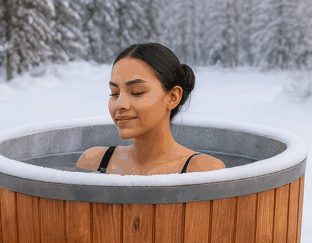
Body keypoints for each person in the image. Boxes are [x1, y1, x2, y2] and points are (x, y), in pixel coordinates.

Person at [77, 43, 226, 175]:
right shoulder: (94, 162)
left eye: (137, 92)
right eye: (114, 93)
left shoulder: (202, 170)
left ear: (173, 97)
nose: (119, 104)